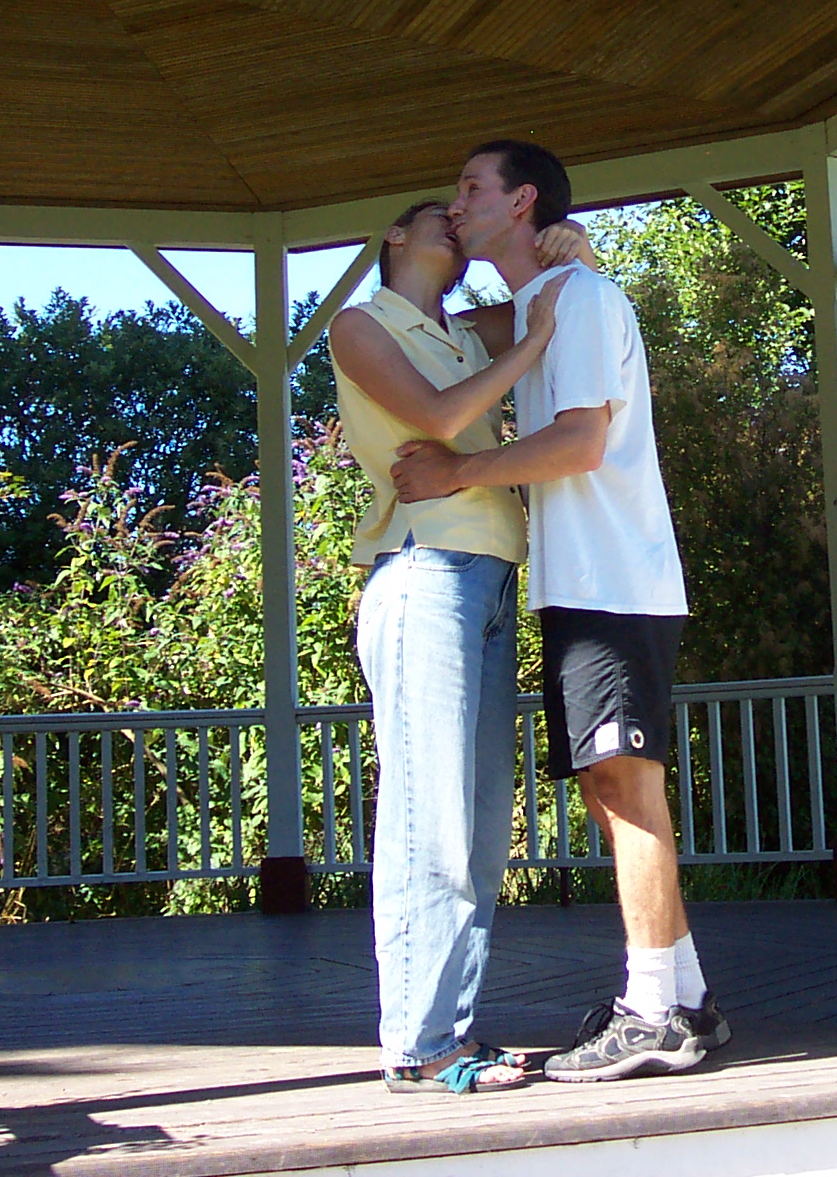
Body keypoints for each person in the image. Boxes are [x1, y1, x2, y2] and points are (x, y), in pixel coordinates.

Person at [391, 140, 729, 1082]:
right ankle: (687, 999)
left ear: (522, 198)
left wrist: (457, 470)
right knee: (611, 787)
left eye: (471, 189)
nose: (456, 204)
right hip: (584, 587)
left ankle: (653, 1011)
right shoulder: (549, 302)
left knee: (627, 789)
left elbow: (581, 442)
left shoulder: (580, 302)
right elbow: (452, 334)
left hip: (613, 582)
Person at [327, 199, 585, 1095]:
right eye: (436, 215)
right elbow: (438, 418)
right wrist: (531, 341)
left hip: (488, 577)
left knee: (475, 826)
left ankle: (450, 1035)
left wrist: (567, 247)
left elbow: (556, 292)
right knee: (424, 819)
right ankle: (418, 1047)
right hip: (423, 573)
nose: (453, 222)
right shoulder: (360, 324)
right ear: (394, 238)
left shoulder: (466, 331)